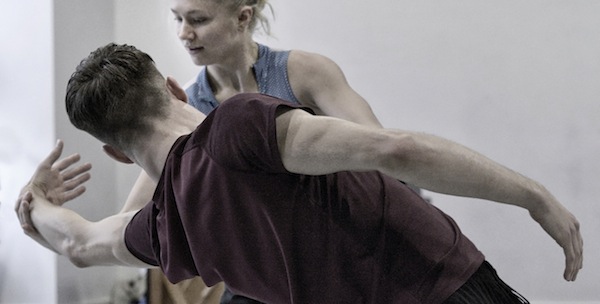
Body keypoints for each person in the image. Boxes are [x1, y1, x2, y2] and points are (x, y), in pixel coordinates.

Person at [18, 43, 582, 304]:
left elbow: (82, 243)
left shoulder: (163, 227)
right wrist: (533, 196)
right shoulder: (237, 124)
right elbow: (397, 150)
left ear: (116, 154)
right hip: (441, 291)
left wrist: (35, 205)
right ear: (170, 87)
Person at [21, 0, 423, 304]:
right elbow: (131, 221)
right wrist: (38, 208)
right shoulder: (186, 106)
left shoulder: (304, 73)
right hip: (263, 278)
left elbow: (384, 154)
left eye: (197, 19)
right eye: (177, 18)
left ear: (242, 17)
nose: (183, 33)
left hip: (349, 254)